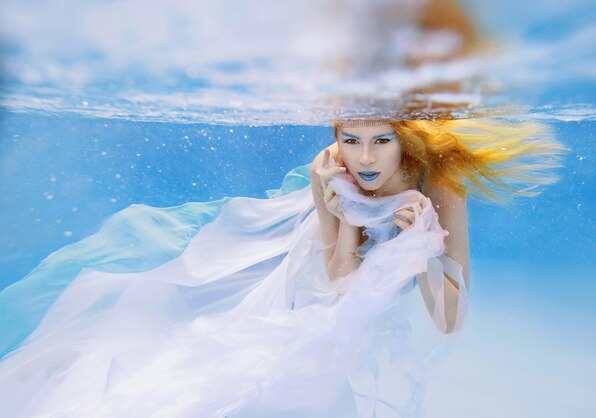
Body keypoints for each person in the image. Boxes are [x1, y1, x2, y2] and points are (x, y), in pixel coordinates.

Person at [0, 117, 564, 418]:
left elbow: (448, 322)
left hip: (324, 296)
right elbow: (340, 283)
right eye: (351, 140)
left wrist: (417, 247)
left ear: (406, 141)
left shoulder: (438, 183)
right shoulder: (332, 172)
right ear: (336, 138)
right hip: (288, 275)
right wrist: (341, 217)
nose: (365, 158)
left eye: (382, 141)